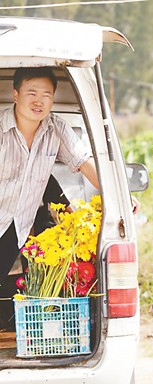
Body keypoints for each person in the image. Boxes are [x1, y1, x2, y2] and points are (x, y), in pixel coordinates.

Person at [0, 66, 99, 285]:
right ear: (16, 95)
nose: (39, 101)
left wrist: (119, 194)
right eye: (32, 93)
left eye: (46, 95)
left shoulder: (56, 128)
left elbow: (83, 161)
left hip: (16, 230)